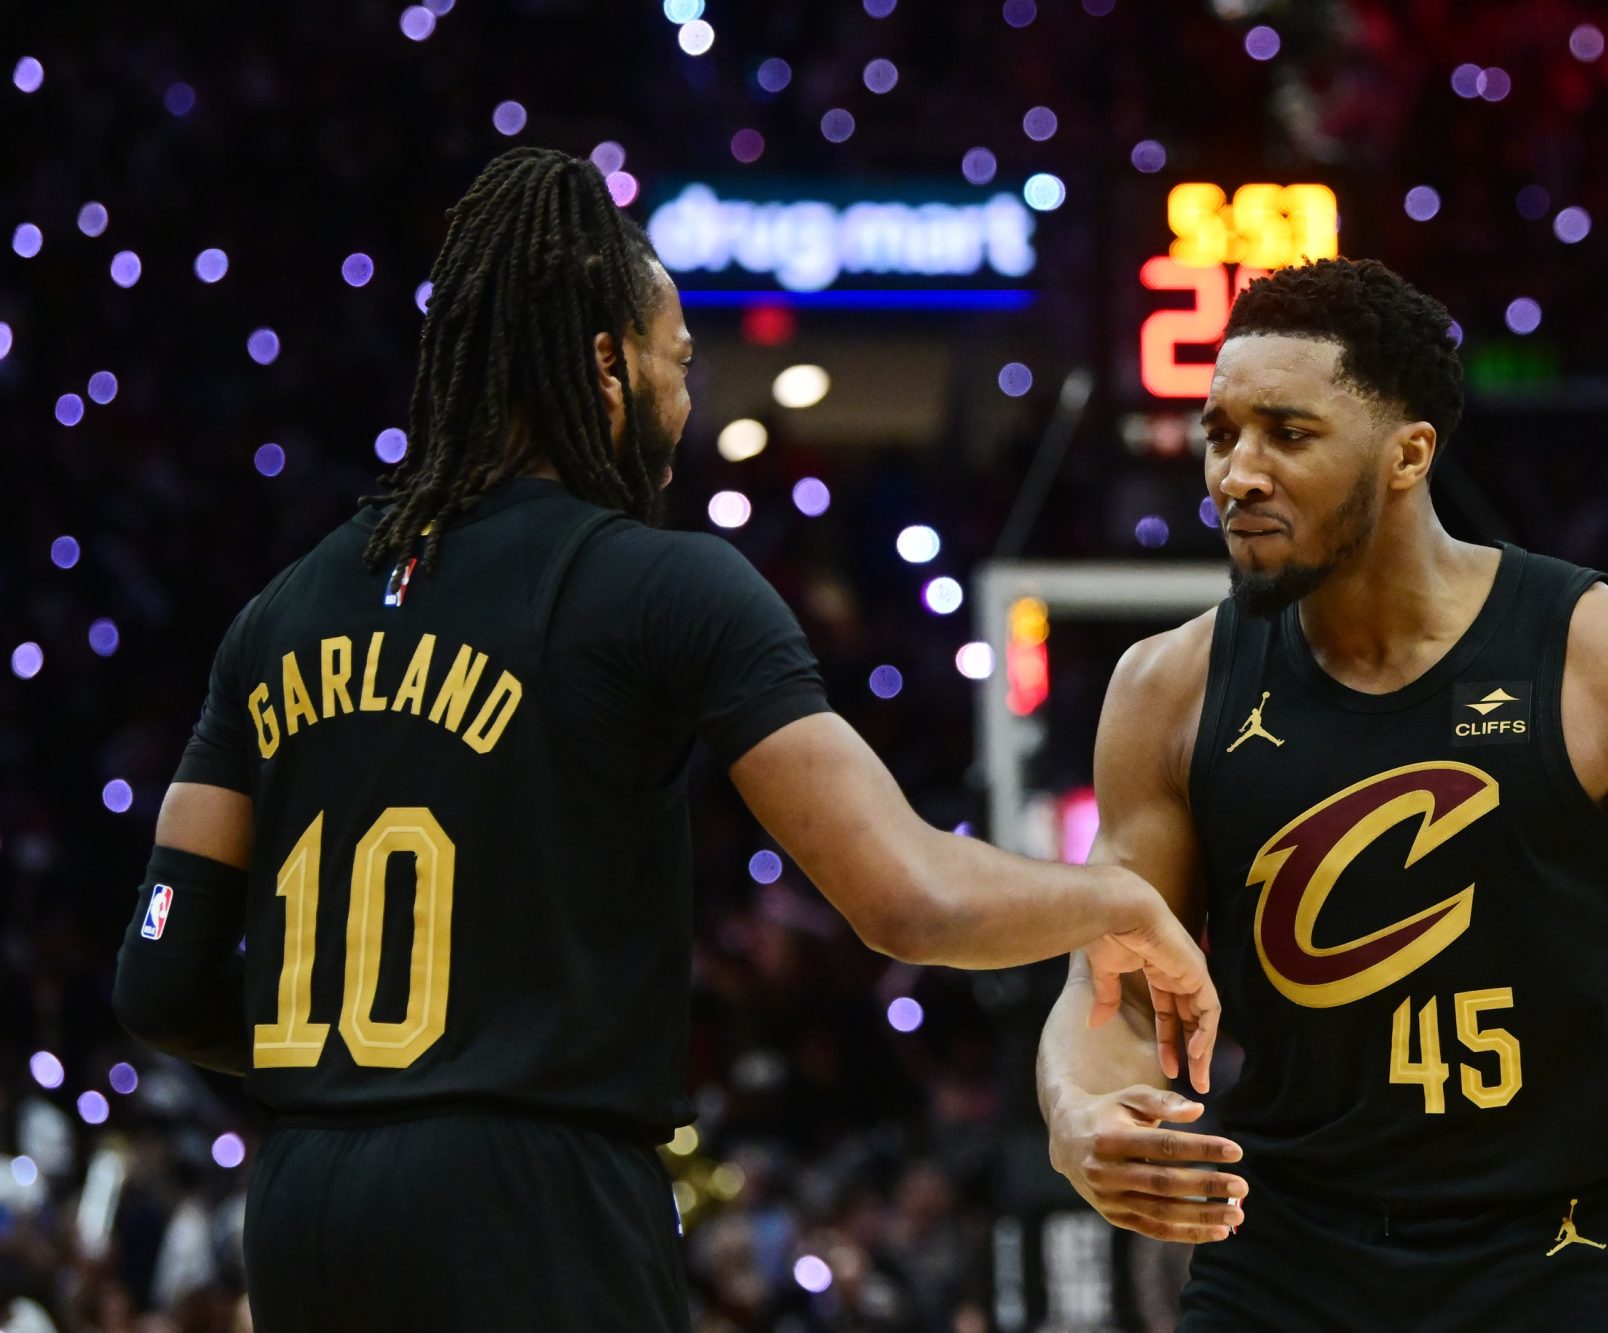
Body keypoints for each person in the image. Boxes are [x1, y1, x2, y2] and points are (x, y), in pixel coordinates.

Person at [110, 147, 1219, 1333]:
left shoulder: (278, 611)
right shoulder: (664, 584)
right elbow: (905, 896)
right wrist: (1114, 902)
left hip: (304, 1202)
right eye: (677, 363)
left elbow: (162, 978)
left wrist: (355, 1077)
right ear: (606, 366)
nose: (687, 404)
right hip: (537, 1198)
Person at [1035, 257, 1608, 1331]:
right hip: (1281, 1269)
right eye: (1220, 432)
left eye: (1287, 432)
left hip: (1554, 1266)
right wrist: (1077, 1112)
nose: (1235, 472)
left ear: (1409, 451)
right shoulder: (1168, 688)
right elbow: (1117, 986)